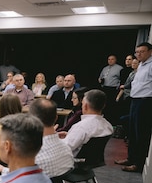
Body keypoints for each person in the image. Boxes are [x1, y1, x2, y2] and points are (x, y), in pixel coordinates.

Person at [0, 98, 74, 183]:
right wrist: (4, 170)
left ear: (31, 119)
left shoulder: (33, 156)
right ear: (56, 117)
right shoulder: (67, 150)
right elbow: (27, 174)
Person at [115, 42, 152, 172]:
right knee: (132, 132)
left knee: (140, 134)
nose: (139, 54)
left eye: (142, 51)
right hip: (135, 100)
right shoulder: (141, 65)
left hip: (145, 102)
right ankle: (130, 158)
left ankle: (138, 163)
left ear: (150, 52)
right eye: (137, 52)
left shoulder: (151, 65)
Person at [58, 89, 113, 157]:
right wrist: (70, 135)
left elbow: (64, 148)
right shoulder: (108, 126)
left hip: (73, 161)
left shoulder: (81, 127)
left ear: (85, 106)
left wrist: (52, 138)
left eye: (83, 103)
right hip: (94, 162)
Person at [98, 54, 122, 125]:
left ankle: (112, 122)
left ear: (115, 60)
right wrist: (100, 80)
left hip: (113, 89)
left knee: (112, 107)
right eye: (109, 59)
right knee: (104, 105)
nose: (110, 61)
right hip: (104, 88)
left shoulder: (119, 68)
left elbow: (121, 80)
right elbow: (100, 77)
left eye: (112, 59)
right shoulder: (105, 68)